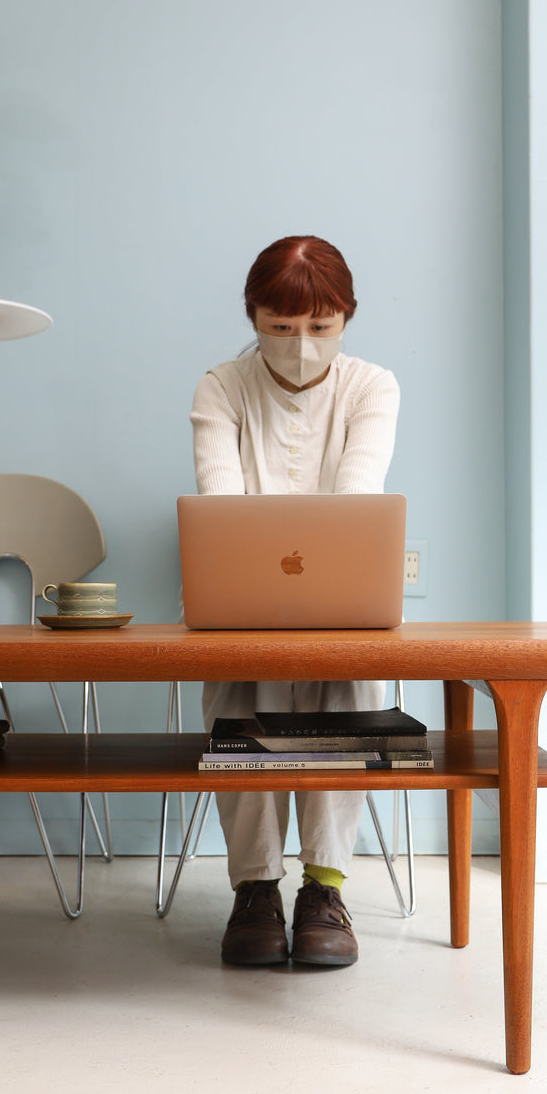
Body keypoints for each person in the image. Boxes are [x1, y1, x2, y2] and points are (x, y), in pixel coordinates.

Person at [190, 235, 400, 968]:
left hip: (345, 606)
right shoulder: (221, 385)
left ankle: (325, 886)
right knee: (239, 692)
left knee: (351, 685)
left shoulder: (373, 387)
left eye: (320, 328)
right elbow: (221, 507)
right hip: (242, 608)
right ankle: (255, 888)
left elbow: (357, 499)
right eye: (281, 329)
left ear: (347, 317)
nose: (302, 346)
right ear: (252, 316)